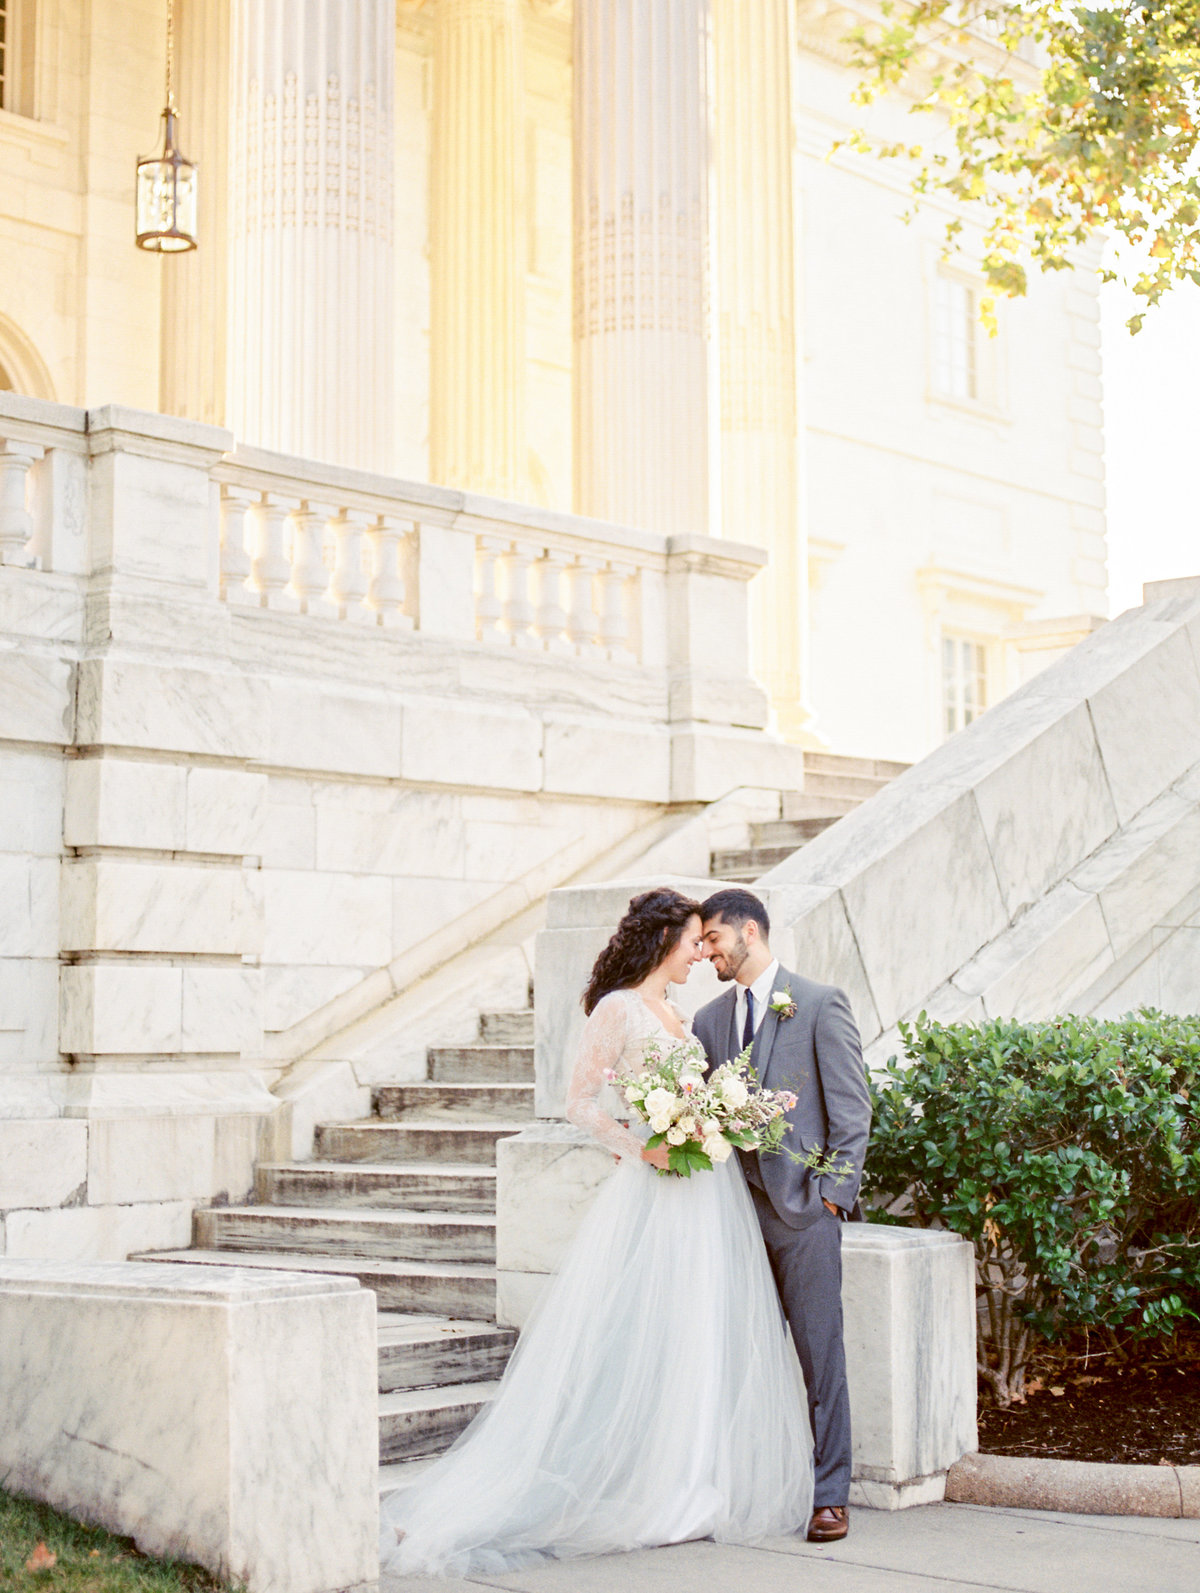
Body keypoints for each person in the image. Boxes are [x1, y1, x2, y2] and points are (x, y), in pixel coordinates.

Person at [378, 887, 813, 1578]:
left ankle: (692, 1482)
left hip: (708, 1192)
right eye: (693, 942)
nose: (701, 954)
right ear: (665, 940)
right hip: (657, 1189)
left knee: (700, 1330)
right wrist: (644, 1145)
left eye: (707, 943)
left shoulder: (680, 1014)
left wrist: (712, 1120)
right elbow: (578, 1101)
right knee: (647, 1331)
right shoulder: (618, 1009)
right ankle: (647, 1485)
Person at [693, 887, 872, 1545]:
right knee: (743, 1354)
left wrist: (831, 1198)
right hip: (735, 1219)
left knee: (820, 1357)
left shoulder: (821, 1003)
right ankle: (753, 1485)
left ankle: (831, 1496)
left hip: (805, 1215)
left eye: (713, 938)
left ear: (749, 931)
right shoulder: (708, 1021)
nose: (707, 950)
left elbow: (853, 1112)